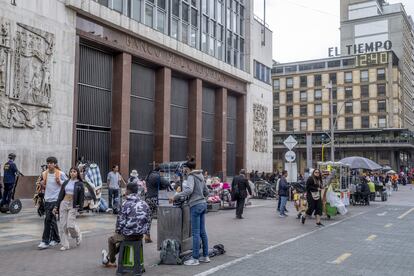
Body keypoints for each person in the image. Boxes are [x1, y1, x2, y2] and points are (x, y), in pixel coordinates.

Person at [101, 182, 150, 267]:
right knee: (122, 242)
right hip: (140, 235)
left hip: (128, 235)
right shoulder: (144, 204)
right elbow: (148, 220)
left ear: (127, 190)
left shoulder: (125, 204)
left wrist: (117, 232)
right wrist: (146, 233)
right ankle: (108, 258)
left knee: (112, 240)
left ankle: (111, 261)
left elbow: (120, 223)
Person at [172, 158, 209, 266]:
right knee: (202, 231)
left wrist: (176, 196)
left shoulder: (191, 176)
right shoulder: (201, 175)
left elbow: (189, 190)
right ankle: (205, 256)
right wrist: (201, 196)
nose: (184, 171)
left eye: (184, 169)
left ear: (187, 169)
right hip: (203, 204)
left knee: (196, 233)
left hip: (195, 205)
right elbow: (206, 191)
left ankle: (195, 258)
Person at [38, 156, 67, 249]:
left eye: (51, 163)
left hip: (56, 200)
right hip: (47, 199)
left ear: (55, 164)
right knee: (52, 220)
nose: (49, 164)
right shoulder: (44, 173)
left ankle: (45, 241)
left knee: (48, 219)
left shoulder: (60, 173)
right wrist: (41, 184)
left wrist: (60, 182)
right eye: (48, 163)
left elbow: (67, 184)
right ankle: (56, 239)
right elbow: (40, 184)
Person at [55, 167, 84, 251]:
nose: (72, 173)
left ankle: (77, 235)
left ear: (77, 173)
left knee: (70, 225)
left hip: (73, 205)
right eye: (71, 171)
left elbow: (82, 197)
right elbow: (60, 195)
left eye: (74, 171)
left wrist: (81, 208)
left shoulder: (80, 184)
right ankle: (65, 245)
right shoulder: (66, 182)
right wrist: (56, 206)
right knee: (62, 225)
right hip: (63, 203)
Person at [144, 167, 170, 243]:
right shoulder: (157, 176)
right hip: (155, 198)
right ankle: (164, 237)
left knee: (149, 217)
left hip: (148, 198)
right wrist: (161, 177)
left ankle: (147, 236)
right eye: (162, 173)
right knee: (163, 216)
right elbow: (167, 183)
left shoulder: (149, 175)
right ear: (159, 171)